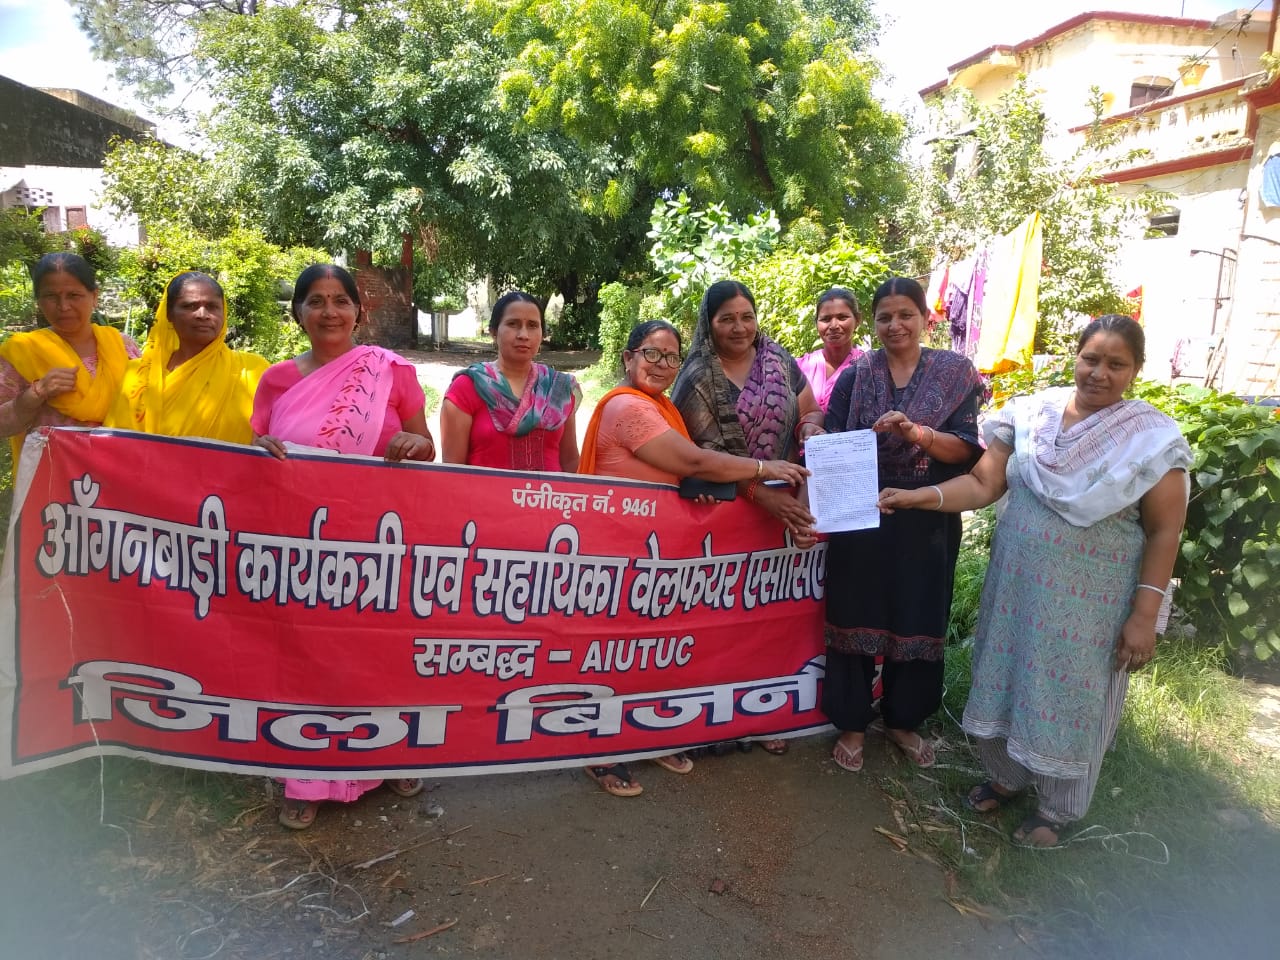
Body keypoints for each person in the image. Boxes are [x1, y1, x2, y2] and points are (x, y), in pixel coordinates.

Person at [879, 315, 1191, 847]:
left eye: (1116, 364)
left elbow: (1165, 532)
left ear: (1136, 370)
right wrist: (918, 498)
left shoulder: (1153, 441)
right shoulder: (1031, 415)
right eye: (1091, 358)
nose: (1099, 373)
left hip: (1091, 606)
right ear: (1076, 356)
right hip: (1017, 588)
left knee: (1071, 694)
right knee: (1007, 676)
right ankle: (1007, 776)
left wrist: (1144, 616)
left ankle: (1058, 808)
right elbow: (982, 484)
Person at [578, 320, 810, 796]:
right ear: (627, 357)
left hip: (655, 554)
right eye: (651, 353)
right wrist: (763, 467)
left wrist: (697, 489)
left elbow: (681, 474)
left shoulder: (661, 408)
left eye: (671, 356)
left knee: (649, 651)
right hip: (619, 551)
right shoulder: (627, 407)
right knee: (613, 654)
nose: (662, 365)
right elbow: (694, 461)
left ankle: (645, 735)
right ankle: (599, 751)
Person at [250, 263, 435, 829]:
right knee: (306, 651)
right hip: (302, 542)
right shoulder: (277, 380)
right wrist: (262, 450)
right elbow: (255, 451)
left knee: (377, 646)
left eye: (340, 301)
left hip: (378, 539)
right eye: (316, 301)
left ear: (359, 311)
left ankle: (387, 755)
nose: (329, 311)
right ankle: (306, 775)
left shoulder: (391, 371)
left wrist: (413, 444)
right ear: (298, 312)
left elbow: (426, 444)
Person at [822, 276, 983, 774]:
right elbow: (833, 446)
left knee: (918, 613)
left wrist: (918, 434)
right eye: (885, 317)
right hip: (861, 516)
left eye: (905, 314)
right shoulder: (856, 374)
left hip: (927, 517)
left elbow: (966, 449)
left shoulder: (957, 373)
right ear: (873, 323)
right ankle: (852, 722)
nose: (895, 325)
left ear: (925, 318)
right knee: (852, 614)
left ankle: (902, 720)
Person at [671, 279, 822, 756]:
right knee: (722, 618)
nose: (739, 327)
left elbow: (810, 410)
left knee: (772, 616)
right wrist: (761, 495)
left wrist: (811, 430)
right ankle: (715, 715)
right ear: (709, 323)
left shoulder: (779, 361)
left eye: (746, 316)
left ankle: (764, 713)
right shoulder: (696, 377)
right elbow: (696, 457)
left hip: (786, 510)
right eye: (727, 319)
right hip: (723, 513)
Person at [0, 252, 140, 464]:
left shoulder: (123, 346)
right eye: (51, 296)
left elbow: (145, 411)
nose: (63, 306)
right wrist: (36, 393)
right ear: (39, 301)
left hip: (117, 469)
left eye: (74, 295)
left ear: (94, 296)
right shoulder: (23, 352)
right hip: (52, 474)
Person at [105, 272, 267, 442]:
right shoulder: (137, 374)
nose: (202, 314)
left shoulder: (252, 370)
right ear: (169, 314)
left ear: (223, 312)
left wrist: (265, 443)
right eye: (190, 306)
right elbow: (112, 442)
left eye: (212, 307)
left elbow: (275, 432)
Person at [441, 292, 580, 472]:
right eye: (513, 324)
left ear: (542, 334)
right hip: (484, 491)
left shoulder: (558, 388)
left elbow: (570, 462)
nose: (523, 335)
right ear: (494, 332)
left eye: (532, 325)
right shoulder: (467, 387)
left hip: (549, 491)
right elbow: (453, 471)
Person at [797, 287, 864, 412]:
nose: (834, 326)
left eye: (842, 317)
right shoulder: (800, 367)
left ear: (857, 320)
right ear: (816, 323)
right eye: (826, 319)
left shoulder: (868, 368)